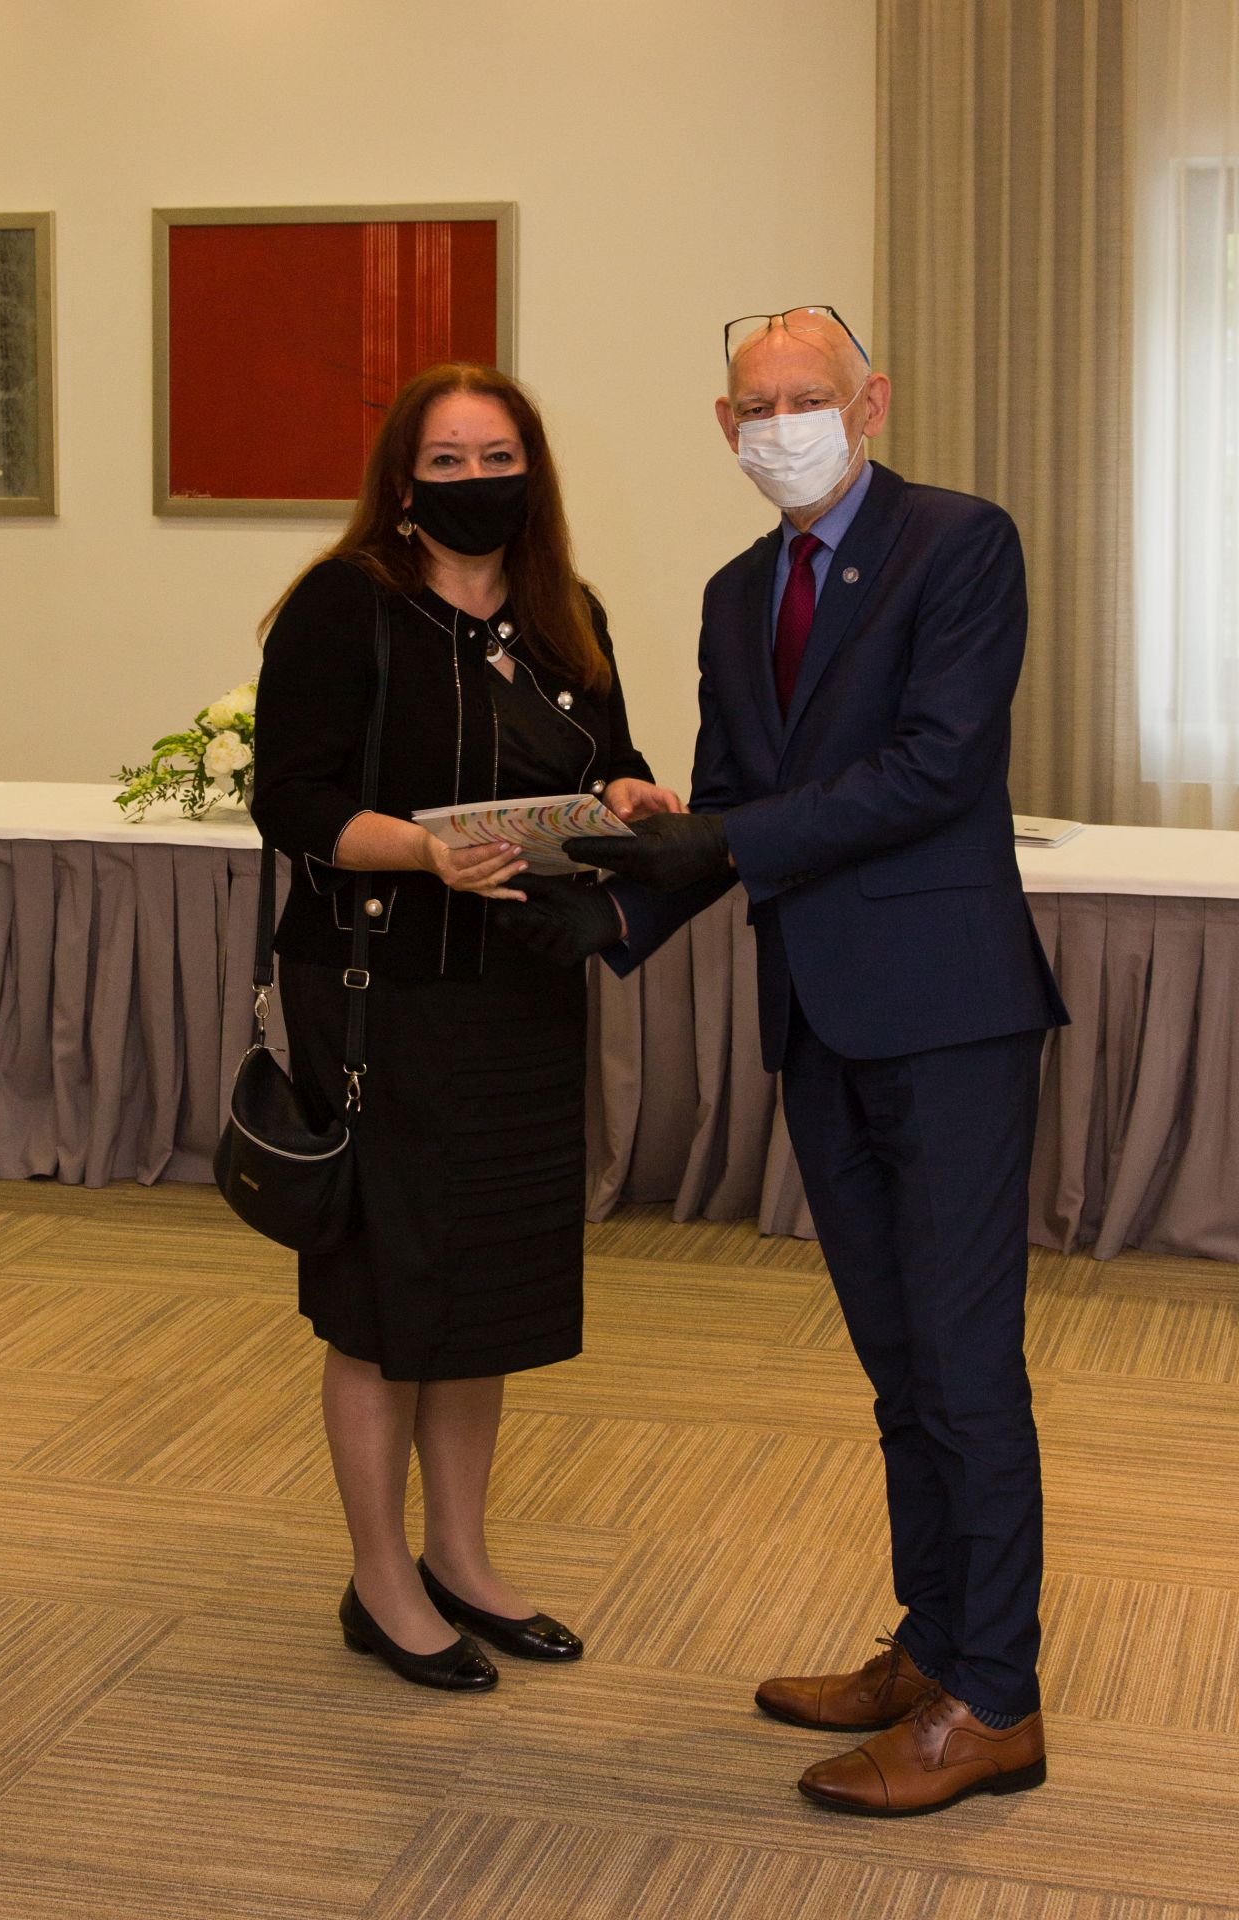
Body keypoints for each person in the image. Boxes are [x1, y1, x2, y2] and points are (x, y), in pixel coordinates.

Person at [507, 307, 1068, 1813]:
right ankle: (934, 1644)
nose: (781, 425)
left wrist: (718, 838)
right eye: (754, 406)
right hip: (819, 1018)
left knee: (964, 1364)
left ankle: (995, 1701)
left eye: (806, 396)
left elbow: (935, 767)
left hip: (946, 1014)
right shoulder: (733, 592)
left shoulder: (961, 544)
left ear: (870, 402)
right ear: (723, 425)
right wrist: (610, 909)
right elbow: (732, 803)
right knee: (899, 1365)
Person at [251, 362, 678, 1694]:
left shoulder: (566, 614)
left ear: (531, 473)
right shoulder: (346, 606)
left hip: (521, 992)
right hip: (381, 995)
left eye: (499, 458)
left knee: (485, 1291)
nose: (476, 481)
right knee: (388, 1298)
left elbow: (603, 763)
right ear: (403, 480)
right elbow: (290, 799)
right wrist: (426, 853)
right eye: (448, 461)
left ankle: (463, 1560)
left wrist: (627, 795)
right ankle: (382, 1580)